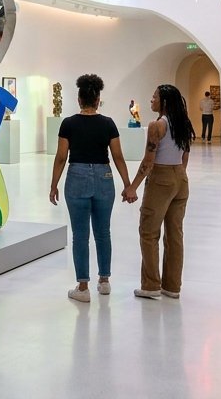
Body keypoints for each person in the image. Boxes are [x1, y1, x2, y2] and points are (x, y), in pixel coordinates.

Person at [49, 74, 134, 303]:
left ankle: (83, 287)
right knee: (103, 232)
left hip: (76, 176)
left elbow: (60, 157)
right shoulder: (108, 123)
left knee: (80, 235)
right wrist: (128, 185)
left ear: (79, 99)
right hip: (104, 176)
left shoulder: (68, 123)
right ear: (98, 100)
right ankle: (104, 281)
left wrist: (53, 185)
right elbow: (117, 156)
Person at [124, 84, 193, 299]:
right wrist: (178, 176)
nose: (151, 100)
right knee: (175, 234)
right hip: (180, 179)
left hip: (161, 179)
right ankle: (172, 286)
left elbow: (148, 161)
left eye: (154, 97)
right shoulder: (183, 123)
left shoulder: (157, 126)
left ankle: (151, 285)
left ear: (163, 102)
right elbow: (185, 156)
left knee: (148, 232)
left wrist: (132, 186)